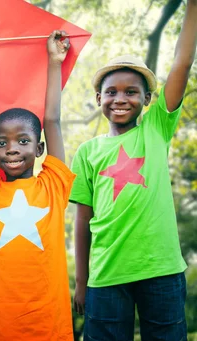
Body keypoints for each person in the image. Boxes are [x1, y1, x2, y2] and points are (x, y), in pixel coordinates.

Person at [70, 1, 197, 339]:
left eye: (131, 92)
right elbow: (82, 220)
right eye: (111, 92)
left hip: (161, 271)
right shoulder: (87, 151)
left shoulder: (156, 128)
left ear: (147, 99)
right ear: (98, 99)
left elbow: (181, 65)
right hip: (106, 276)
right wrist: (81, 281)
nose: (120, 98)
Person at [0, 31, 75, 340]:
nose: (12, 148)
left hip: (46, 319)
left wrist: (54, 61)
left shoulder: (54, 184)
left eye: (23, 141)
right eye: (2, 142)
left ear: (39, 150)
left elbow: (51, 120)